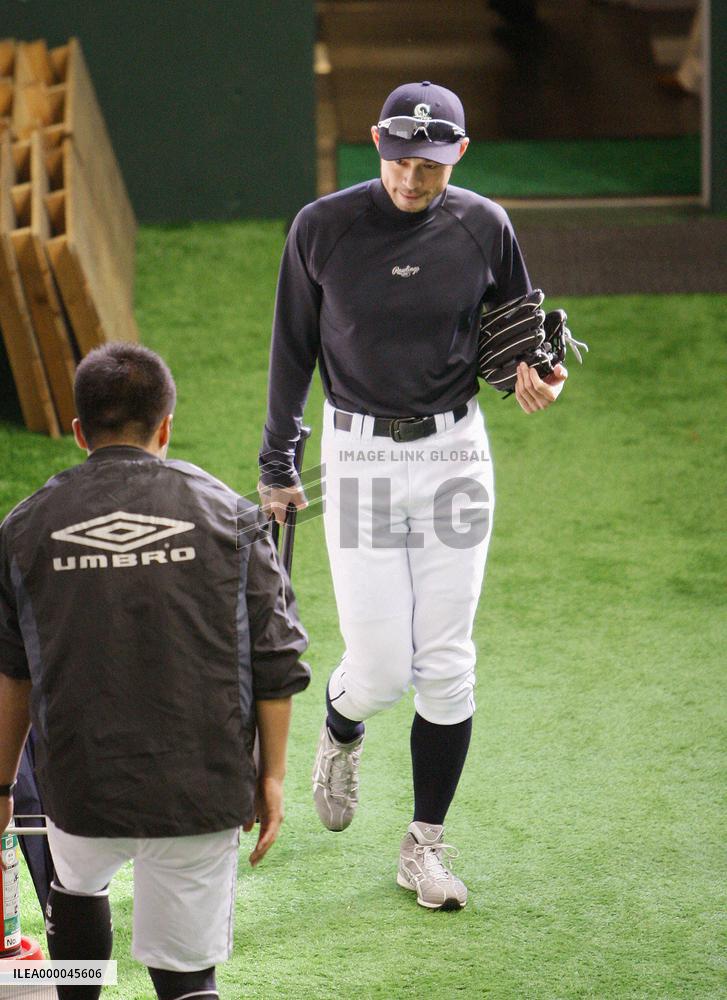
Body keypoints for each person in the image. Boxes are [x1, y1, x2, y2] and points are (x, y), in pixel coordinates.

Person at [258, 81, 566, 911]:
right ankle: (342, 724)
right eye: (397, 159)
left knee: (448, 665)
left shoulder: (484, 224)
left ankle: (422, 846)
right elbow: (291, 351)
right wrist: (277, 463)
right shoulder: (321, 227)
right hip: (355, 456)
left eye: (427, 165)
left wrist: (538, 373)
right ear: (374, 142)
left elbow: (517, 331)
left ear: (456, 154)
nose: (409, 178)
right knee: (383, 669)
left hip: (456, 456)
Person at [0, 343, 309, 999]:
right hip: (198, 787)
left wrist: (1, 786)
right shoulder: (233, 515)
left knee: (74, 889)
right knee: (186, 976)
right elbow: (277, 661)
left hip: (79, 787)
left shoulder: (23, 528)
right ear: (165, 426)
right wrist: (272, 776)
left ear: (80, 432)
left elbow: (12, 670)